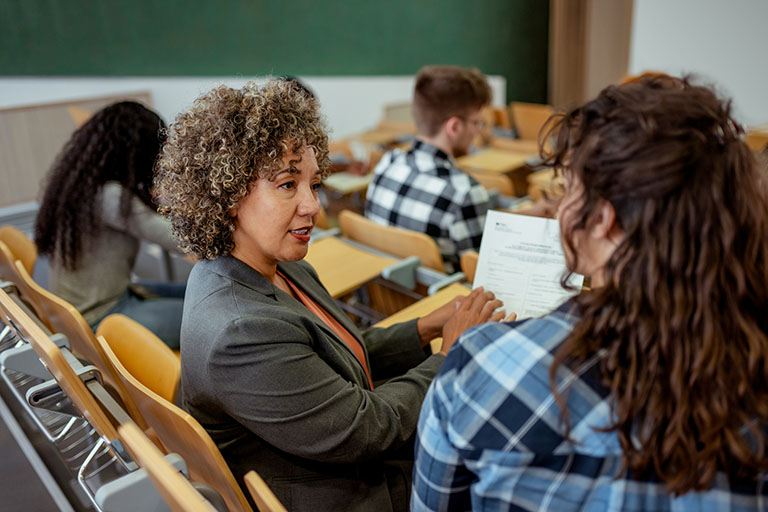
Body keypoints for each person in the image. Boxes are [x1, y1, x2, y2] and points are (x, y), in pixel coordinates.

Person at [412, 75, 768, 510]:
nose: (562, 207)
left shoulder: (481, 365)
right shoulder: (753, 369)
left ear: (601, 217)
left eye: (569, 188)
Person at [154, 79, 505, 512]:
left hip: (340, 461)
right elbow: (369, 429)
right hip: (347, 493)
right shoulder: (241, 330)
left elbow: (337, 353)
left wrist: (424, 328)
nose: (312, 205)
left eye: (314, 185)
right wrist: (450, 355)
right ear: (228, 196)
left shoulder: (273, 264)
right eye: (287, 185)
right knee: (504, 458)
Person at [34, 101, 185, 349]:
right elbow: (179, 240)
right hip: (99, 319)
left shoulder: (84, 183)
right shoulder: (111, 197)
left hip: (88, 306)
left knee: (199, 295)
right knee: (212, 318)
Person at [364, 65, 493, 273]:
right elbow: (483, 273)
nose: (478, 131)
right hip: (446, 302)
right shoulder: (465, 192)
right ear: (454, 127)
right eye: (477, 123)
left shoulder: (388, 162)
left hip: (386, 296)